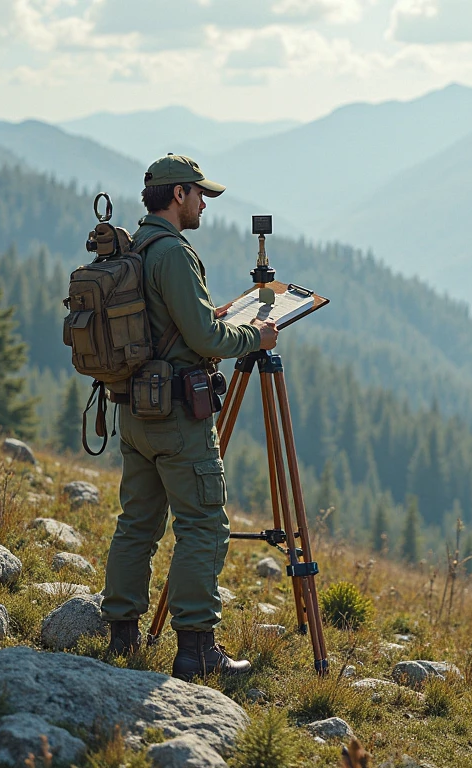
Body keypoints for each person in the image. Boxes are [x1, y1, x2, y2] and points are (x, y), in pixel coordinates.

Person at [100, 154, 278, 681]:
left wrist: (210, 319)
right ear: (178, 195)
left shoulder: (137, 246)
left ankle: (122, 636)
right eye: (201, 195)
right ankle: (198, 651)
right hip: (178, 415)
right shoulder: (174, 253)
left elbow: (170, 323)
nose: (204, 204)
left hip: (136, 410)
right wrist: (255, 336)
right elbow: (203, 339)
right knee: (202, 525)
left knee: (136, 525)